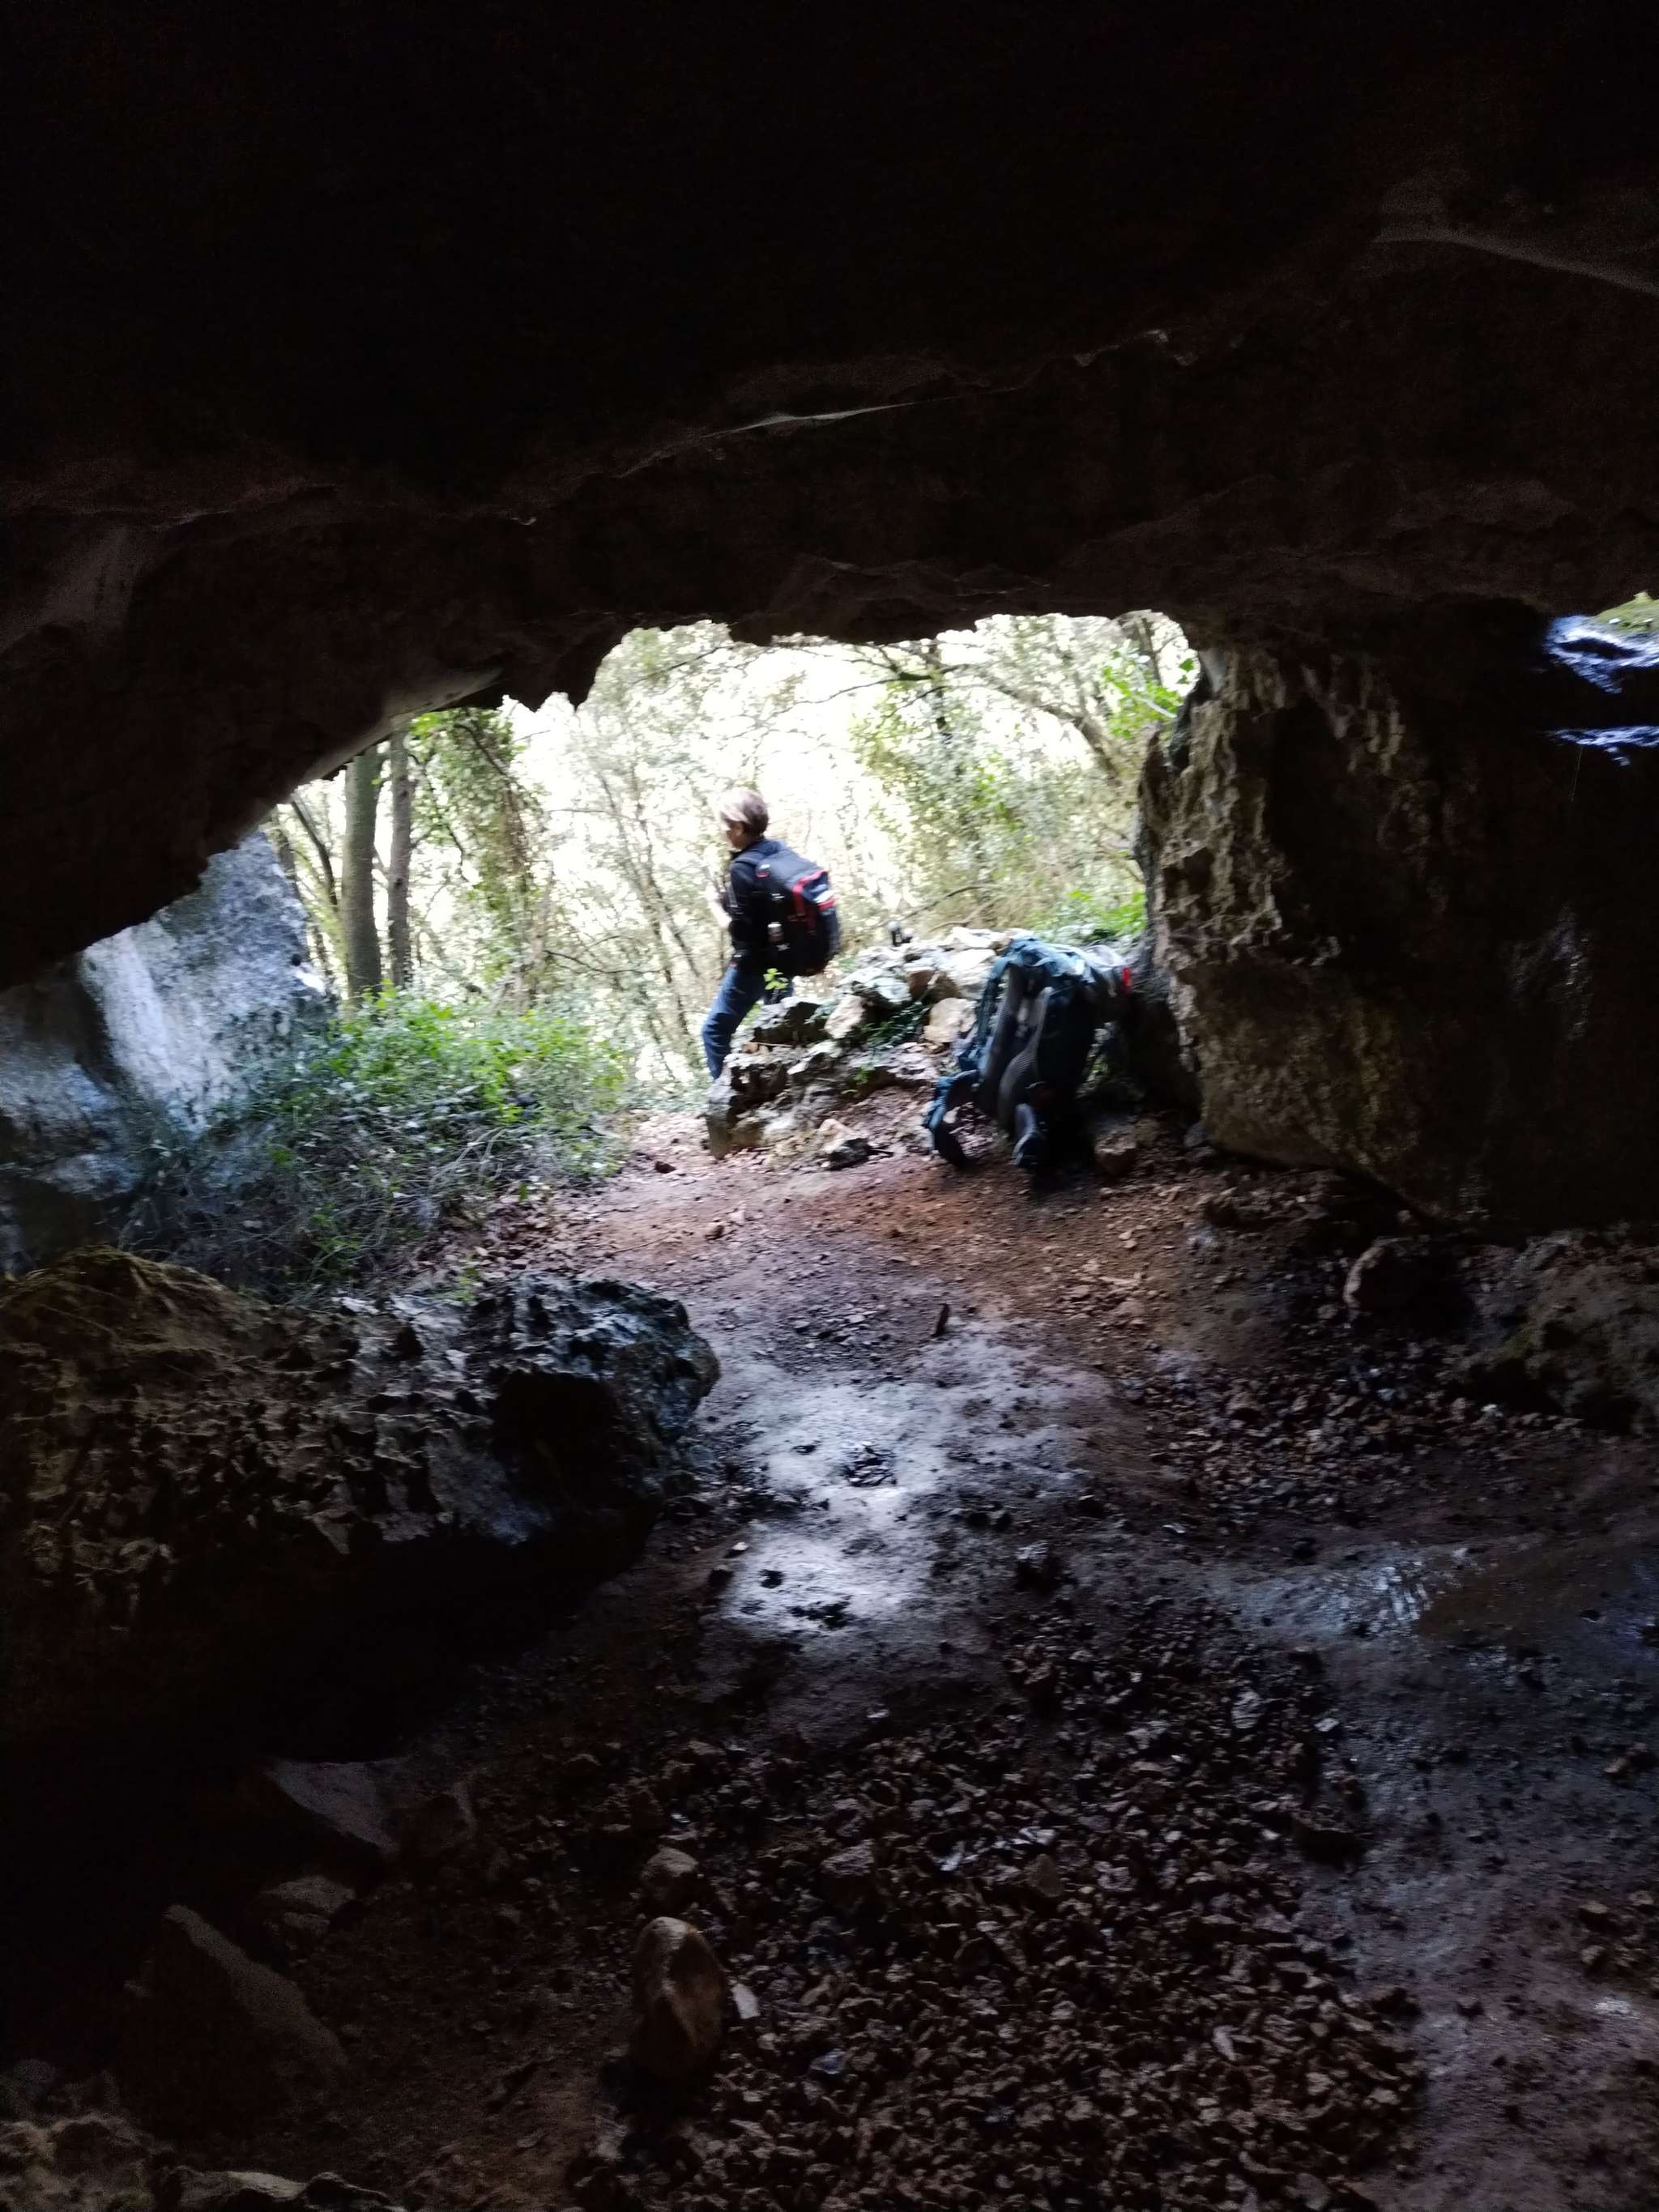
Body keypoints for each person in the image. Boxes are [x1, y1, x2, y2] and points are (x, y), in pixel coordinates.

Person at [701, 786, 792, 1079]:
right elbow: (767, 905)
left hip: (754, 965)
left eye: (725, 824)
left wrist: (715, 906)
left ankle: (724, 1095)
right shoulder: (778, 851)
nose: (722, 830)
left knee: (714, 1031)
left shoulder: (742, 867)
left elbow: (744, 930)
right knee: (780, 1026)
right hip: (785, 959)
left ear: (739, 827)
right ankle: (784, 1088)